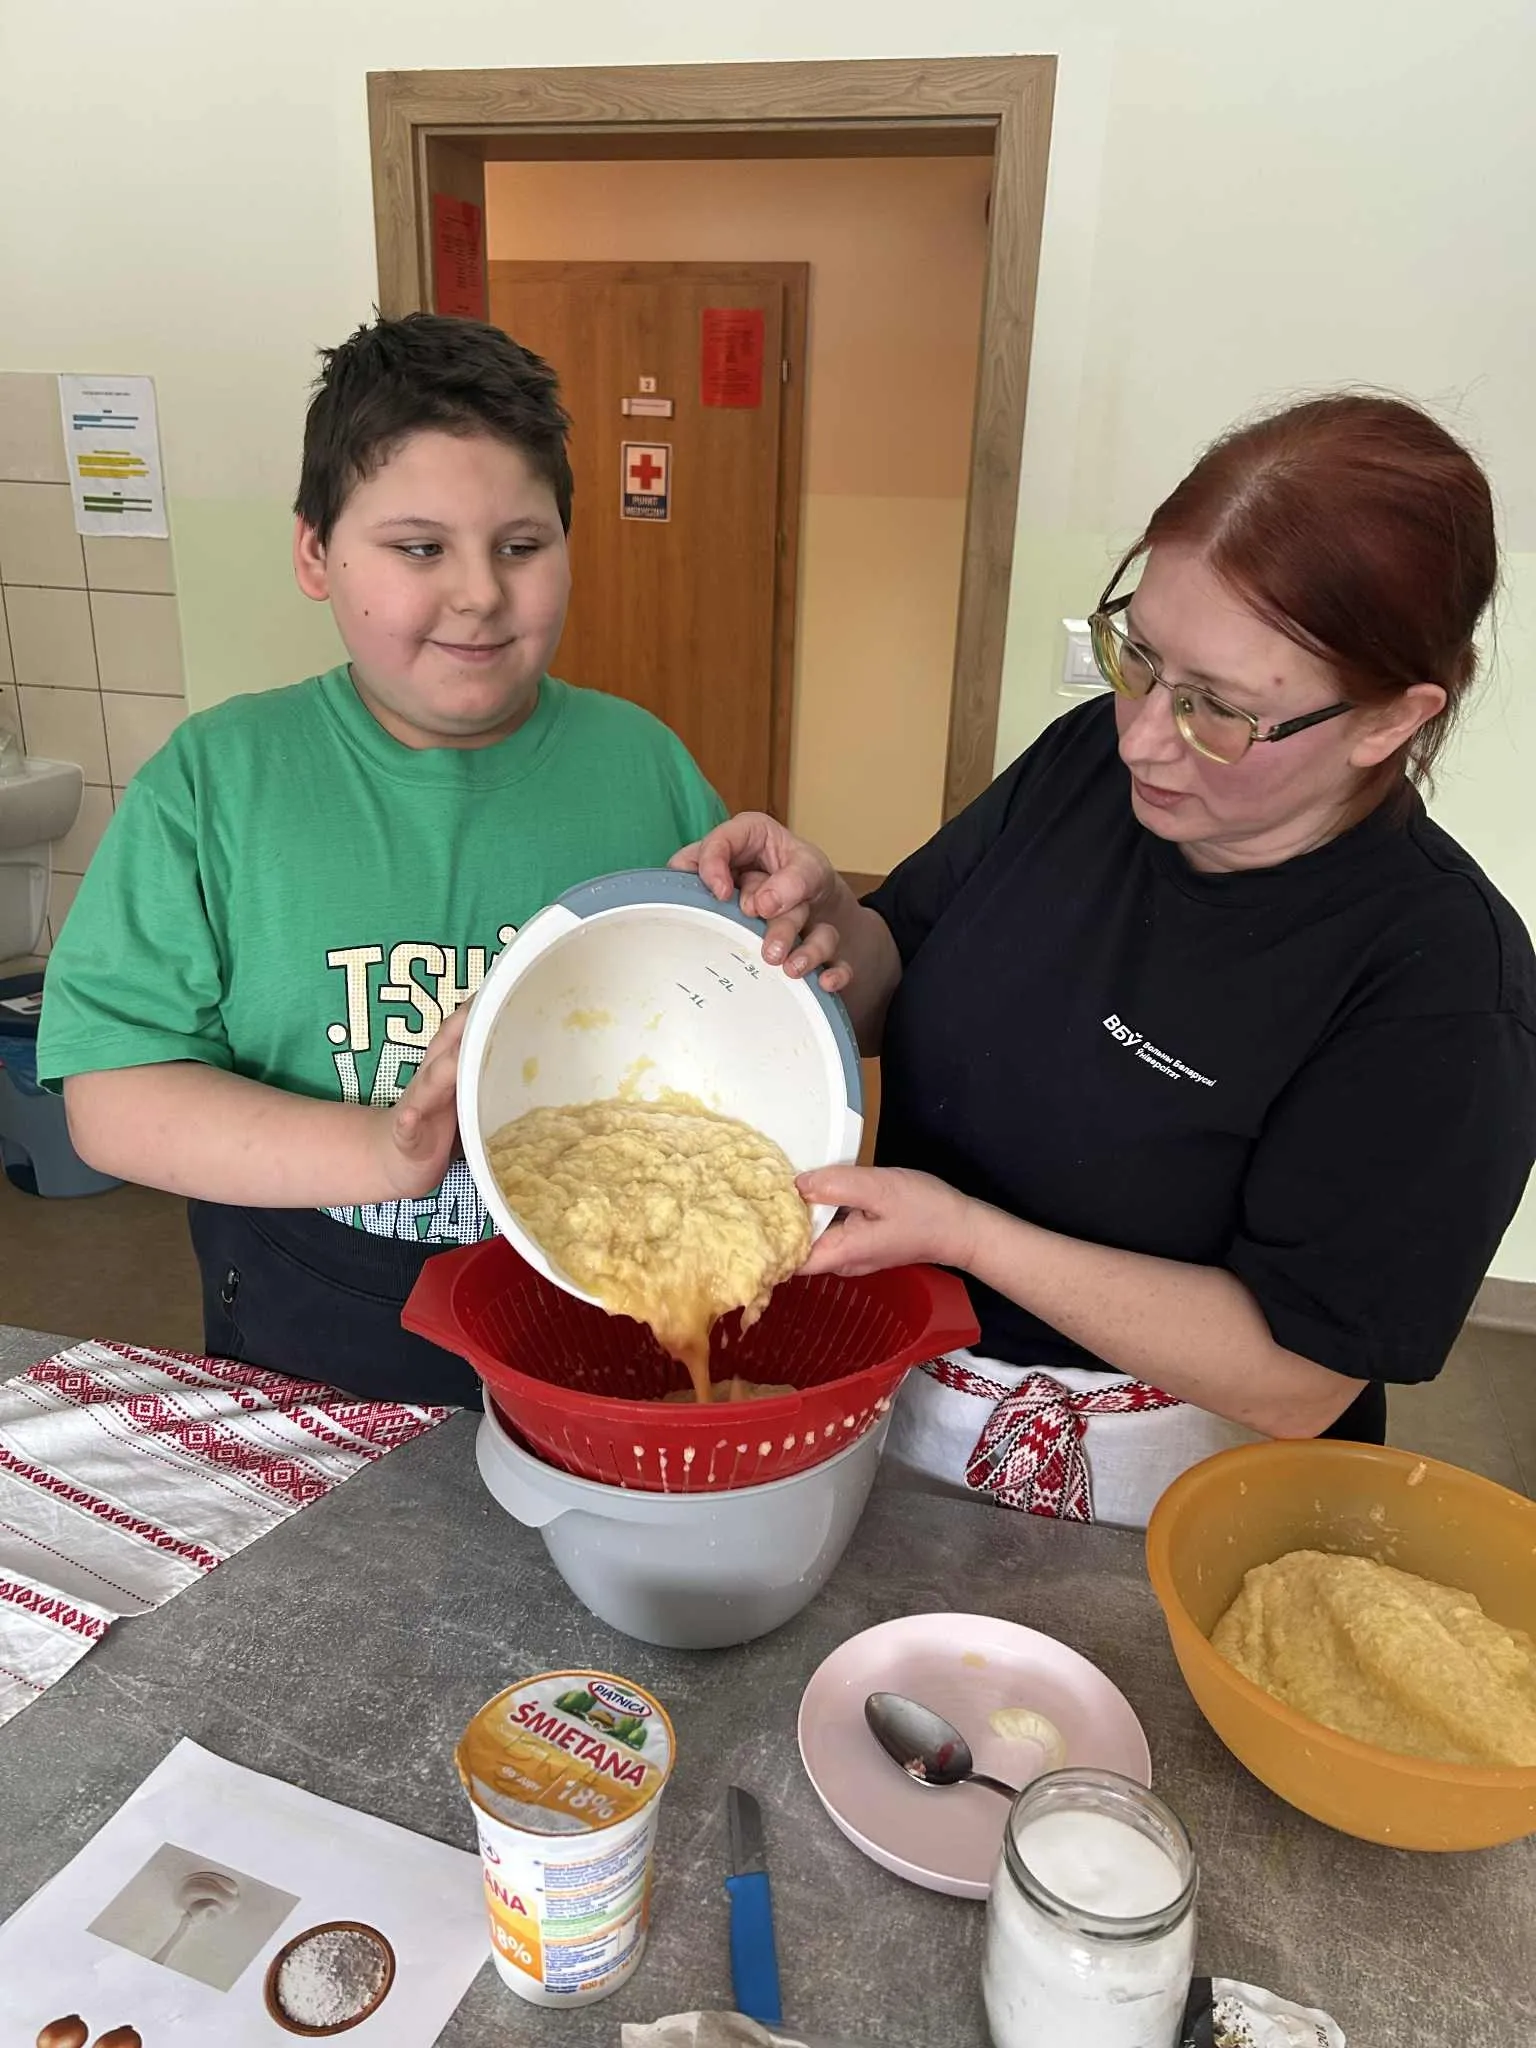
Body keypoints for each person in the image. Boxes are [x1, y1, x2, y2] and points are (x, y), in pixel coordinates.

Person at [676, 394, 1536, 1526]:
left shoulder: (1437, 977)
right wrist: (824, 914)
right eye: (1137, 654)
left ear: (1388, 719)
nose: (1140, 735)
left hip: (1171, 1490)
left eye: (1218, 710)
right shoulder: (1092, 762)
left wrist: (970, 1233)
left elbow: (1297, 1375)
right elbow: (902, 964)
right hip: (906, 1388)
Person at [38, 313, 726, 1408]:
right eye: (420, 548)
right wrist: (389, 1153)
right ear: (316, 553)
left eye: (520, 544)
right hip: (311, 1313)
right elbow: (112, 1099)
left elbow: (721, 1028)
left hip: (591, 1314)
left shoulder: (643, 766)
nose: (479, 593)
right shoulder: (218, 781)